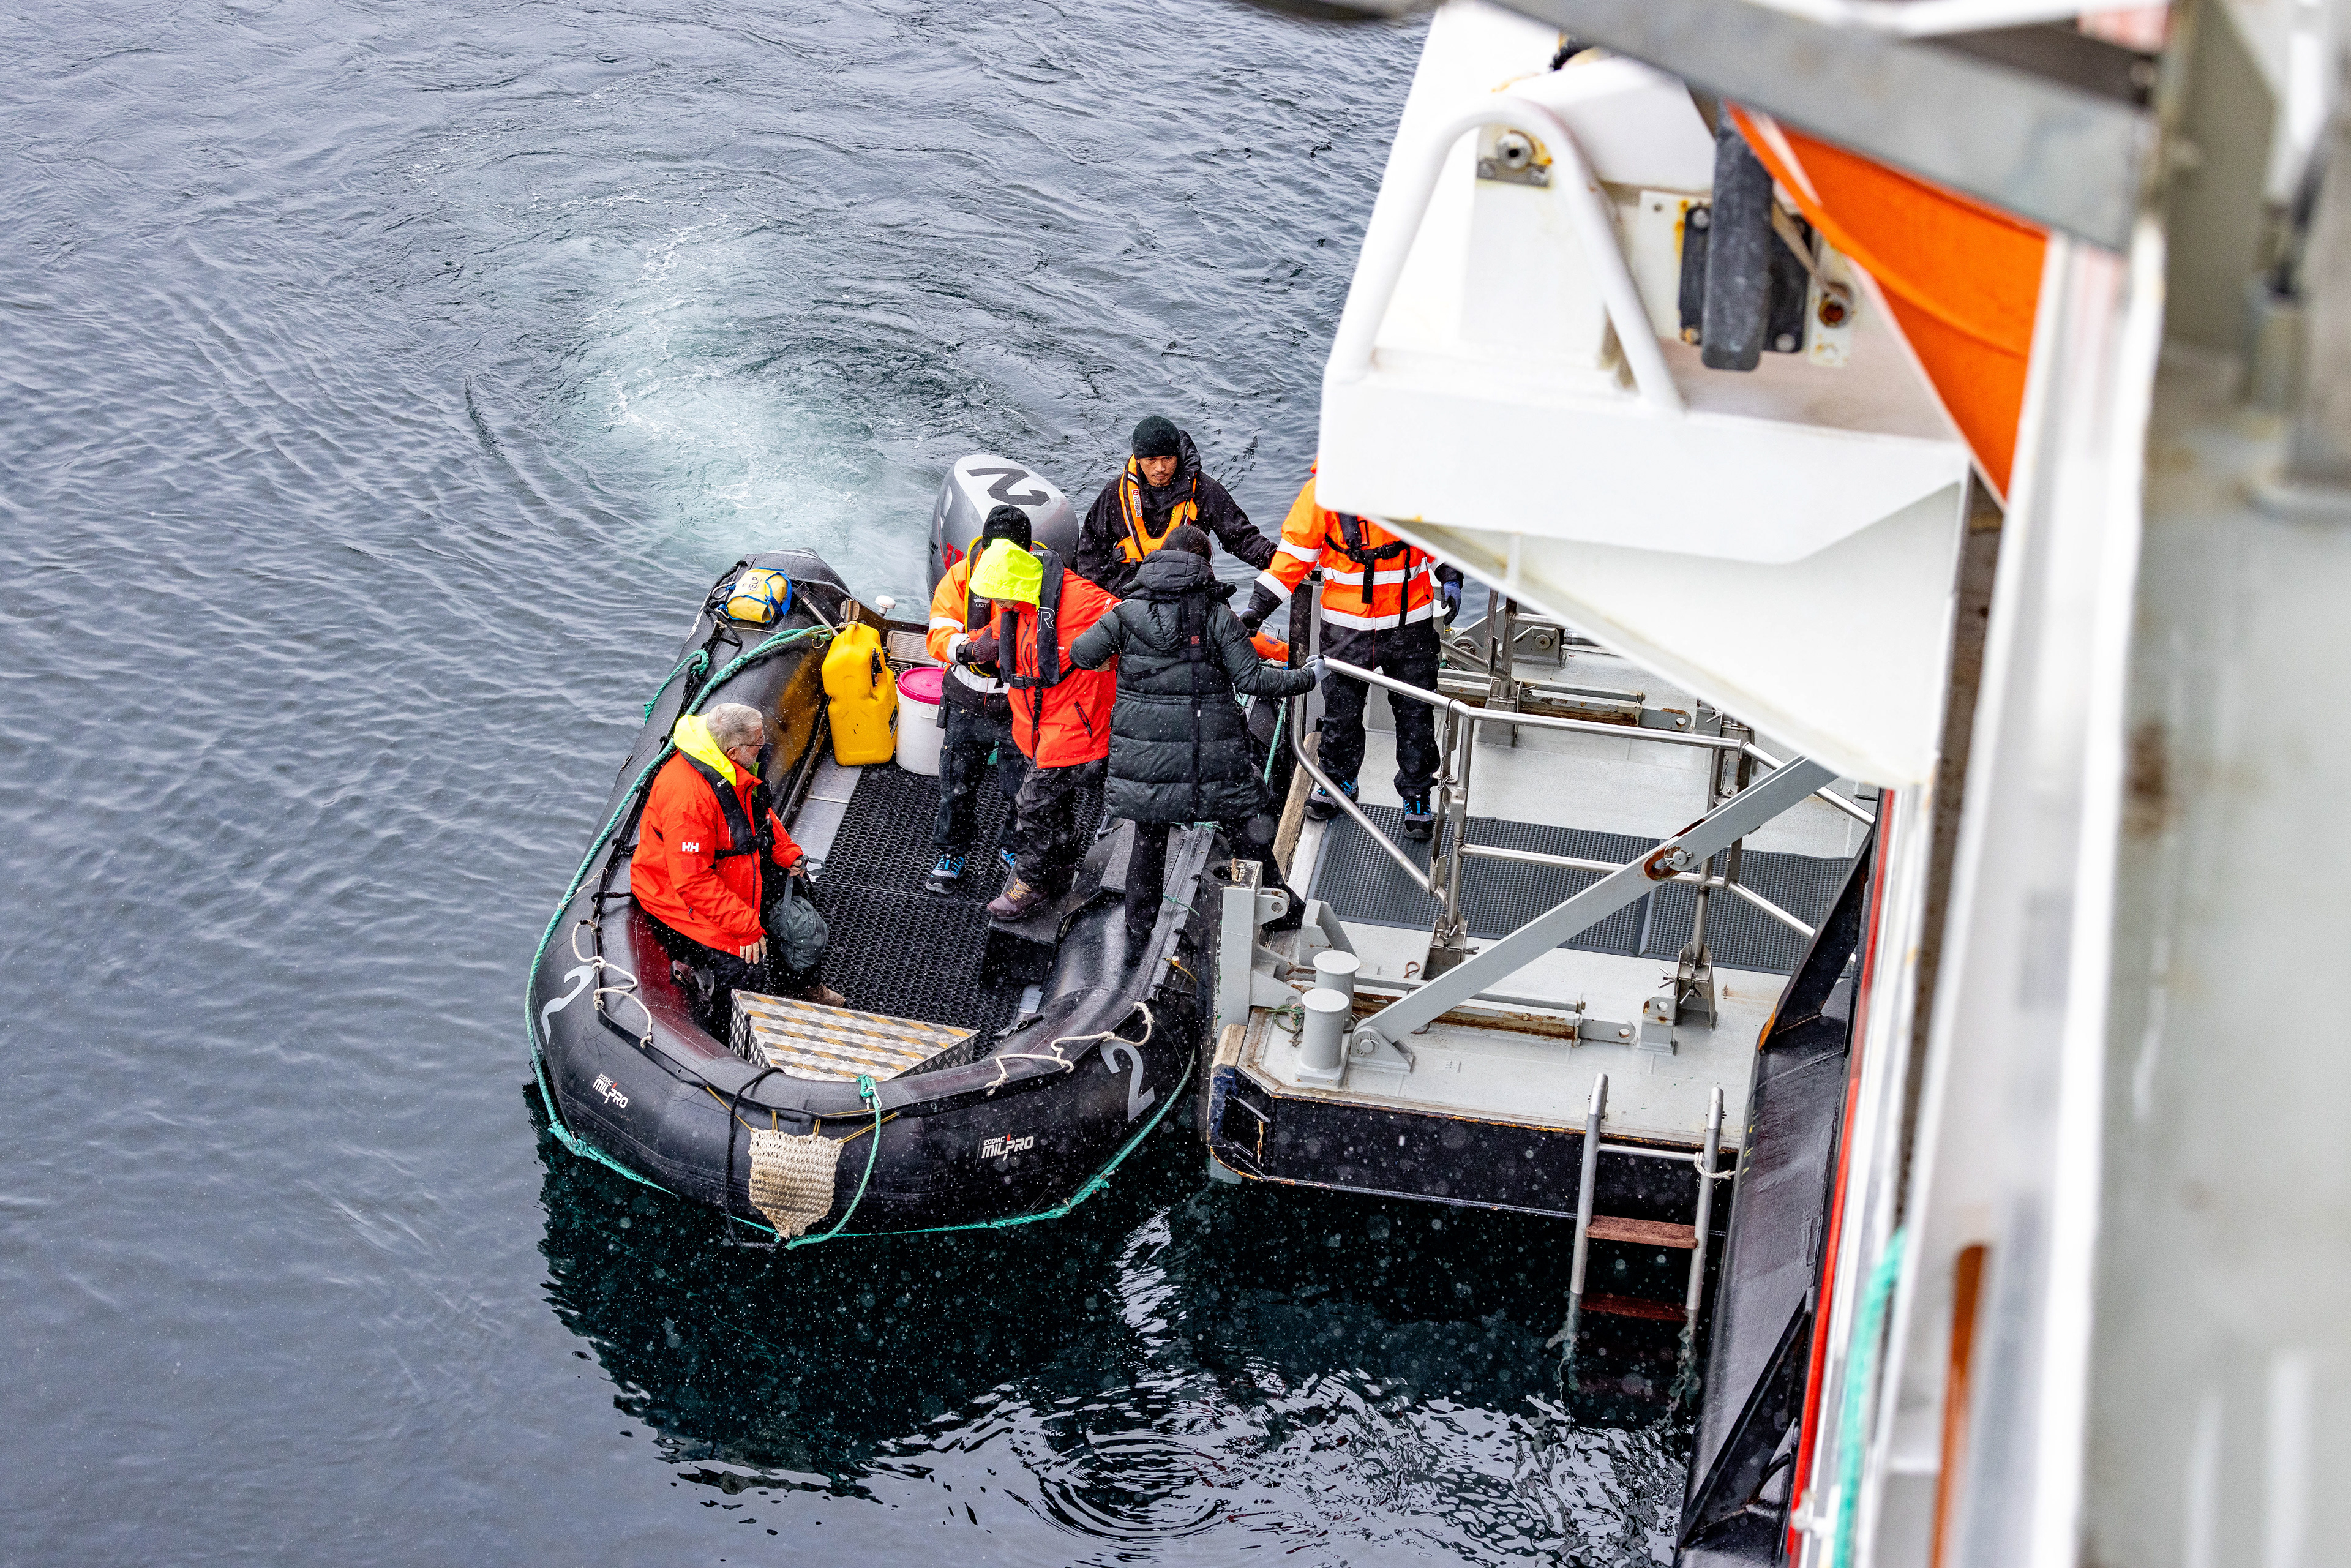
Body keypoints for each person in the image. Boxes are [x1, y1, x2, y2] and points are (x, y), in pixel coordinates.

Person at [1070, 525, 1322, 948]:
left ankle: (1138, 929)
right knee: (1249, 824)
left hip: (1147, 757)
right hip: (1213, 756)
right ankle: (1282, 910)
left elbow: (1081, 653)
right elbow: (1253, 679)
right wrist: (1307, 678)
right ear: (1204, 564)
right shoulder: (1217, 616)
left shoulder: (1124, 614)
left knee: (1148, 837)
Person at [1239, 467, 1463, 841]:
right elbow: (1292, 558)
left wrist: (1451, 576)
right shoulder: (1321, 494)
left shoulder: (1416, 484)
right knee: (1341, 713)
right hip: (1347, 629)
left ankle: (1417, 795)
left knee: (1416, 716)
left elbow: (1439, 541)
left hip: (1412, 626)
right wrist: (1256, 609)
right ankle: (1339, 781)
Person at [631, 702, 846, 1025]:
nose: (764, 746)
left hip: (733, 869)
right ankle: (729, 1033)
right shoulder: (689, 798)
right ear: (734, 751)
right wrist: (744, 926)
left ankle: (800, 990)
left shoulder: (731, 770)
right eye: (758, 742)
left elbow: (756, 815)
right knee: (743, 966)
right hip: (678, 893)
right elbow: (691, 881)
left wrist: (785, 850)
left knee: (804, 923)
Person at [959, 538, 1120, 921]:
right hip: (1037, 725)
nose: (998, 606)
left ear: (1017, 588)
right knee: (1055, 805)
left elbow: (1138, 628)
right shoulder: (1019, 604)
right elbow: (993, 638)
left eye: (1001, 599)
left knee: (1032, 804)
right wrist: (963, 652)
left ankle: (1030, 884)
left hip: (1073, 727)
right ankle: (1062, 869)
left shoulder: (1085, 601)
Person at [922, 502, 1034, 893]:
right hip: (966, 699)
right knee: (956, 782)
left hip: (1017, 703)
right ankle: (951, 852)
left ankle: (1012, 847)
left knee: (1022, 786)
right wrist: (972, 649)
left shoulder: (1043, 580)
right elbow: (938, 635)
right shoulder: (960, 575)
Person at [1073, 415, 1278, 596]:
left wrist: (1280, 562)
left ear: (1177, 456)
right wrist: (1104, 598)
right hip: (1128, 593)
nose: (1160, 468)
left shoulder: (1206, 491)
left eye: (1168, 459)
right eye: (1151, 460)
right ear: (1138, 458)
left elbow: (1242, 539)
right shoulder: (1114, 493)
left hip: (1187, 590)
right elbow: (1091, 552)